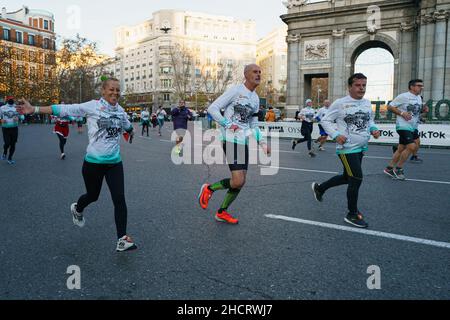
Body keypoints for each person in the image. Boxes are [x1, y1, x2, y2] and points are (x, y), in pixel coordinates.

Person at [17, 77, 137, 252]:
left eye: (118, 90)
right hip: (93, 163)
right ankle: (78, 208)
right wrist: (34, 108)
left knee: (119, 199)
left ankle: (122, 239)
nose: (115, 93)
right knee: (93, 196)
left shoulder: (120, 111)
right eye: (111, 89)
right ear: (103, 91)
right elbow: (65, 109)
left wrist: (131, 132)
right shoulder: (93, 106)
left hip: (114, 163)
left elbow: (127, 126)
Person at [198, 64, 270, 225]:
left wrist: (262, 142)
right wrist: (227, 123)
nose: (258, 74)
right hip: (230, 138)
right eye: (255, 72)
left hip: (243, 140)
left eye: (260, 72)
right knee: (237, 181)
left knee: (241, 181)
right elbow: (213, 108)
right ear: (246, 75)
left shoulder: (255, 98)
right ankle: (209, 189)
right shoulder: (236, 91)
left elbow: (254, 123)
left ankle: (222, 212)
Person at [311, 73, 380, 229]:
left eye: (364, 85)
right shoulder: (340, 103)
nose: (361, 88)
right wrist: (335, 135)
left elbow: (370, 120)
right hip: (347, 148)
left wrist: (374, 129)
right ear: (350, 87)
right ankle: (352, 214)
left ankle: (320, 188)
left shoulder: (367, 103)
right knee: (356, 178)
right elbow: (325, 120)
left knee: (347, 177)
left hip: (361, 147)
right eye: (358, 85)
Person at [383, 79, 427, 180]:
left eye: (422, 86)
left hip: (412, 126)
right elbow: (389, 107)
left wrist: (423, 111)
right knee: (412, 146)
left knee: (401, 149)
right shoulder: (403, 96)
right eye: (419, 86)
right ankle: (398, 169)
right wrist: (402, 113)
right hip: (403, 125)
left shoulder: (419, 98)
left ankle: (389, 168)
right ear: (412, 87)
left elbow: (415, 112)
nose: (421, 88)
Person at [0, 96, 24, 165]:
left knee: (13, 144)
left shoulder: (17, 107)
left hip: (14, 128)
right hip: (5, 128)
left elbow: (22, 116)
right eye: (10, 99)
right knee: (7, 143)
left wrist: (19, 118)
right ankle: (5, 152)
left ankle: (10, 158)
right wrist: (1, 120)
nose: (11, 100)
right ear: (7, 100)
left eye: (12, 99)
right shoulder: (2, 108)